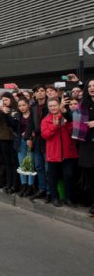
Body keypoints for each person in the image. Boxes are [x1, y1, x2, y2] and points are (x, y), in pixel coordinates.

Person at [41, 98, 78, 207]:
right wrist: (55, 126)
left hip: (68, 153)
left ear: (59, 106)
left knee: (69, 176)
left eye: (55, 105)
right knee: (53, 177)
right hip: (53, 154)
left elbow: (74, 132)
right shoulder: (46, 120)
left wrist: (66, 124)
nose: (53, 108)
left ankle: (69, 198)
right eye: (50, 106)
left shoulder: (66, 117)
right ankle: (55, 197)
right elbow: (45, 135)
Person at [72, 79, 94, 215]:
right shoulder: (83, 104)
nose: (92, 88)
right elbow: (75, 119)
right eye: (90, 86)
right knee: (91, 178)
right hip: (87, 145)